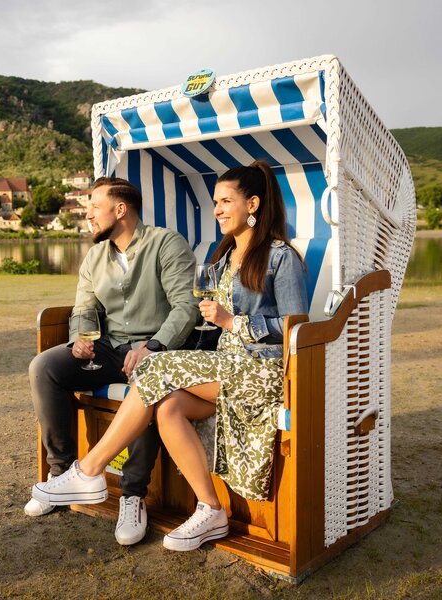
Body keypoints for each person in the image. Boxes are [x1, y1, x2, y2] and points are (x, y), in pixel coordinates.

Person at [31, 160, 308, 551]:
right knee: (167, 407)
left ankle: (89, 470)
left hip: (261, 371)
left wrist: (235, 323)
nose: (217, 210)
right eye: (215, 202)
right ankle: (211, 510)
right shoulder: (225, 256)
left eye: (226, 201)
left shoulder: (282, 257)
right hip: (227, 366)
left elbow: (298, 328)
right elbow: (202, 308)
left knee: (156, 364)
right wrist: (215, 322)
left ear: (254, 204)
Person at [26, 176, 199, 546]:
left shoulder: (166, 244)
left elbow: (186, 307)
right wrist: (79, 341)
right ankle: (64, 474)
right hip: (110, 347)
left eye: (94, 206)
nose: (87, 214)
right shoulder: (94, 256)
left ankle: (133, 495)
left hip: (159, 350)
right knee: (44, 367)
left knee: (147, 379)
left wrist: (153, 346)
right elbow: (84, 309)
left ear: (120, 210)